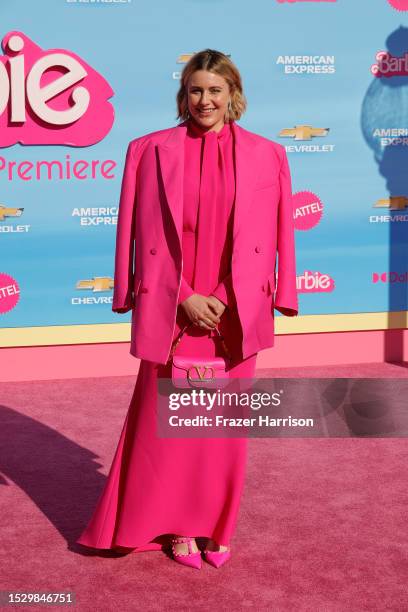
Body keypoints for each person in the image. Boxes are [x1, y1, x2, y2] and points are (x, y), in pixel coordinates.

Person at [76, 49, 298, 570]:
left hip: (235, 310)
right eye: (196, 90)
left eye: (215, 90)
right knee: (167, 428)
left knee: (222, 429)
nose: (205, 100)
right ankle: (176, 528)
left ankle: (214, 527)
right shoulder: (147, 152)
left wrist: (230, 295)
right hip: (172, 307)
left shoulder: (269, 155)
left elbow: (276, 233)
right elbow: (136, 234)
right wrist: (183, 297)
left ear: (232, 94)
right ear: (184, 95)